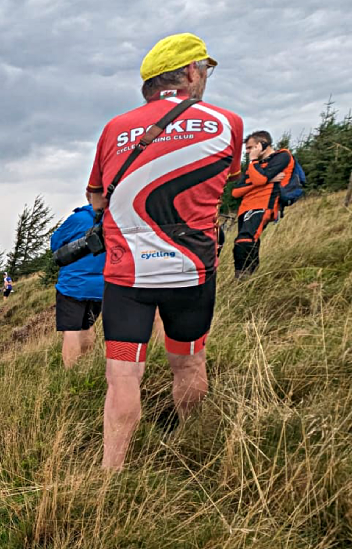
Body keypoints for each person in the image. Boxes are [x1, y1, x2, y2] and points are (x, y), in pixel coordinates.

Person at [86, 33, 243, 469]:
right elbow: (224, 181)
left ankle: (109, 476)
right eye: (206, 70)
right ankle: (191, 447)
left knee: (122, 378)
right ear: (192, 72)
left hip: (127, 278)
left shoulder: (115, 129)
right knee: (189, 364)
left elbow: (97, 200)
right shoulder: (227, 122)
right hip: (191, 274)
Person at [49, 194, 105, 368]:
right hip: (100, 286)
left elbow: (55, 243)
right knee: (88, 326)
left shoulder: (77, 218)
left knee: (71, 330)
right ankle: (86, 368)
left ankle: (71, 372)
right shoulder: (111, 220)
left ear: (90, 197)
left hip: (72, 285)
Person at [231, 130, 293, 279]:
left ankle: (243, 279)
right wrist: (266, 180)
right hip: (245, 208)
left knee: (245, 240)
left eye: (250, 147)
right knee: (247, 241)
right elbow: (236, 192)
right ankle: (250, 278)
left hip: (263, 205)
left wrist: (254, 164)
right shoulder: (255, 166)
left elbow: (259, 180)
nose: (247, 152)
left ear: (262, 144)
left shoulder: (282, 156)